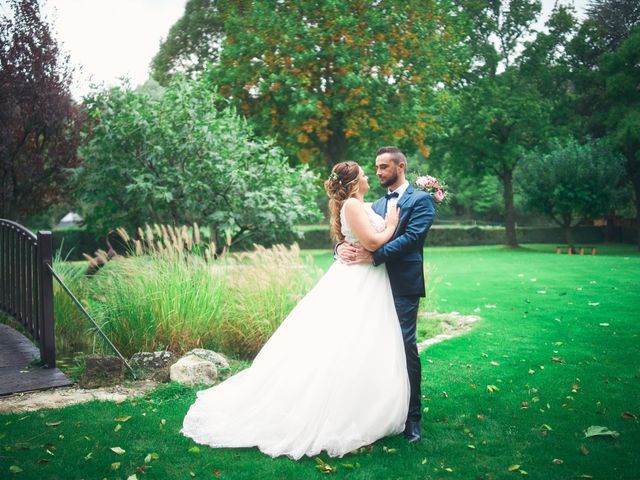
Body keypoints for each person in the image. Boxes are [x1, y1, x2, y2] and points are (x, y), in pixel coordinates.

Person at [182, 161, 411, 460]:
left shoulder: (360, 205)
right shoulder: (353, 207)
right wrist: (392, 224)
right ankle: (337, 412)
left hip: (369, 281)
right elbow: (370, 241)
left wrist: (346, 243)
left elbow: (354, 239)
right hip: (359, 281)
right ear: (354, 183)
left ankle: (364, 407)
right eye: (365, 174)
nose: (370, 176)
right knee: (347, 343)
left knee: (364, 344)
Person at [337, 146, 435, 443]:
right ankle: (377, 413)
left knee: (405, 346)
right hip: (369, 286)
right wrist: (338, 248)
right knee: (371, 348)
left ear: (400, 166)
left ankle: (412, 417)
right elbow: (355, 233)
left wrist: (374, 258)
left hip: (402, 284)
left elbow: (411, 238)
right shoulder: (375, 204)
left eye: (383, 167)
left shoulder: (422, 200)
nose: (378, 172)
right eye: (376, 168)